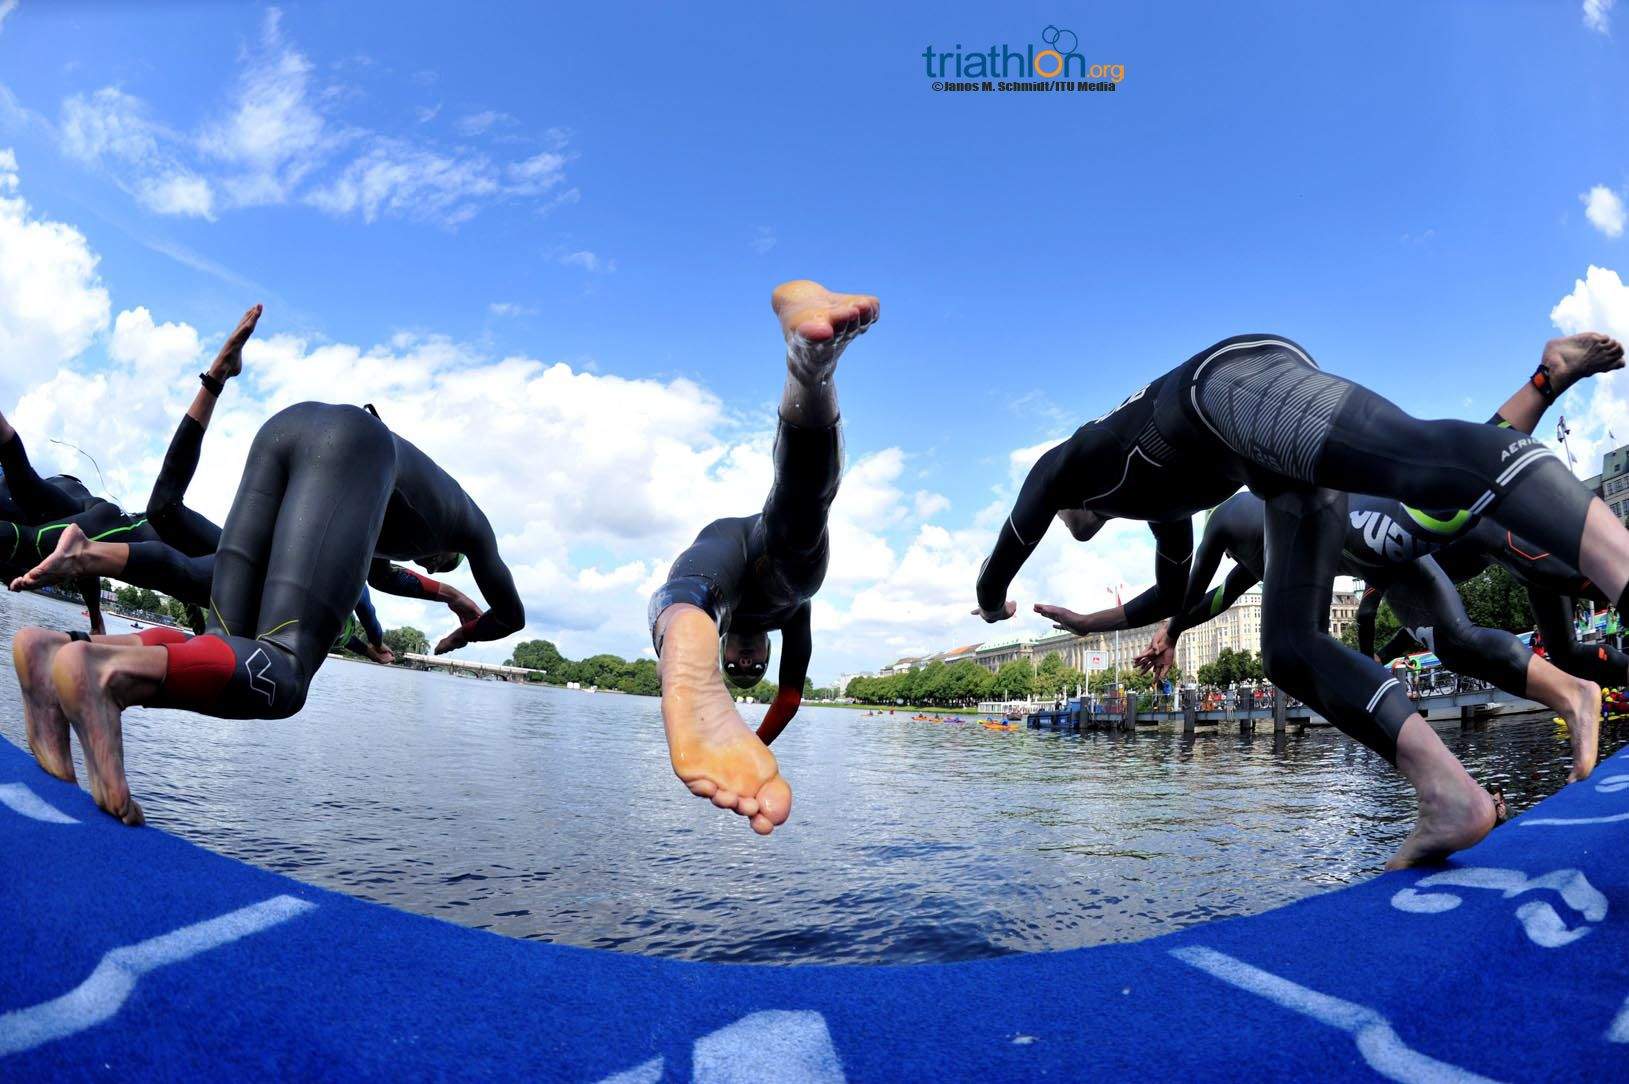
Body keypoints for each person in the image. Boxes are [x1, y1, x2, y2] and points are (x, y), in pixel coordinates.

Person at [975, 330, 1629, 867]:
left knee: (1429, 468)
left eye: (1065, 520)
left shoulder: (1077, 462)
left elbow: (1015, 529)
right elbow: (1173, 596)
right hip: (1273, 473)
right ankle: (1450, 799)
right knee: (1287, 649)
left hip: (1233, 383)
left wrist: (992, 599)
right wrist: (1086, 624)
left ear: (1069, 504)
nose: (1071, 528)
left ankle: (1550, 385)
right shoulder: (1160, 511)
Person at [10, 399, 525, 824]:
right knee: (284, 672)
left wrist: (446, 599)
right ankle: (103, 675)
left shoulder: (403, 500)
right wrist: (467, 633)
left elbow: (376, 571)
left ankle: (57, 652)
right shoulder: (471, 526)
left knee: (222, 640)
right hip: (351, 445)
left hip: (280, 428)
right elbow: (512, 615)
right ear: (445, 556)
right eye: (439, 566)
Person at [649, 279, 878, 836]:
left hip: (727, 557)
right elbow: (793, 694)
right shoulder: (791, 617)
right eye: (755, 668)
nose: (748, 663)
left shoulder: (728, 621)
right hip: (781, 569)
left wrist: (738, 736)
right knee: (805, 515)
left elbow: (785, 692)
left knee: (698, 600)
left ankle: (681, 632)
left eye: (735, 667)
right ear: (766, 653)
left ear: (727, 653)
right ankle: (812, 364)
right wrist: (753, 742)